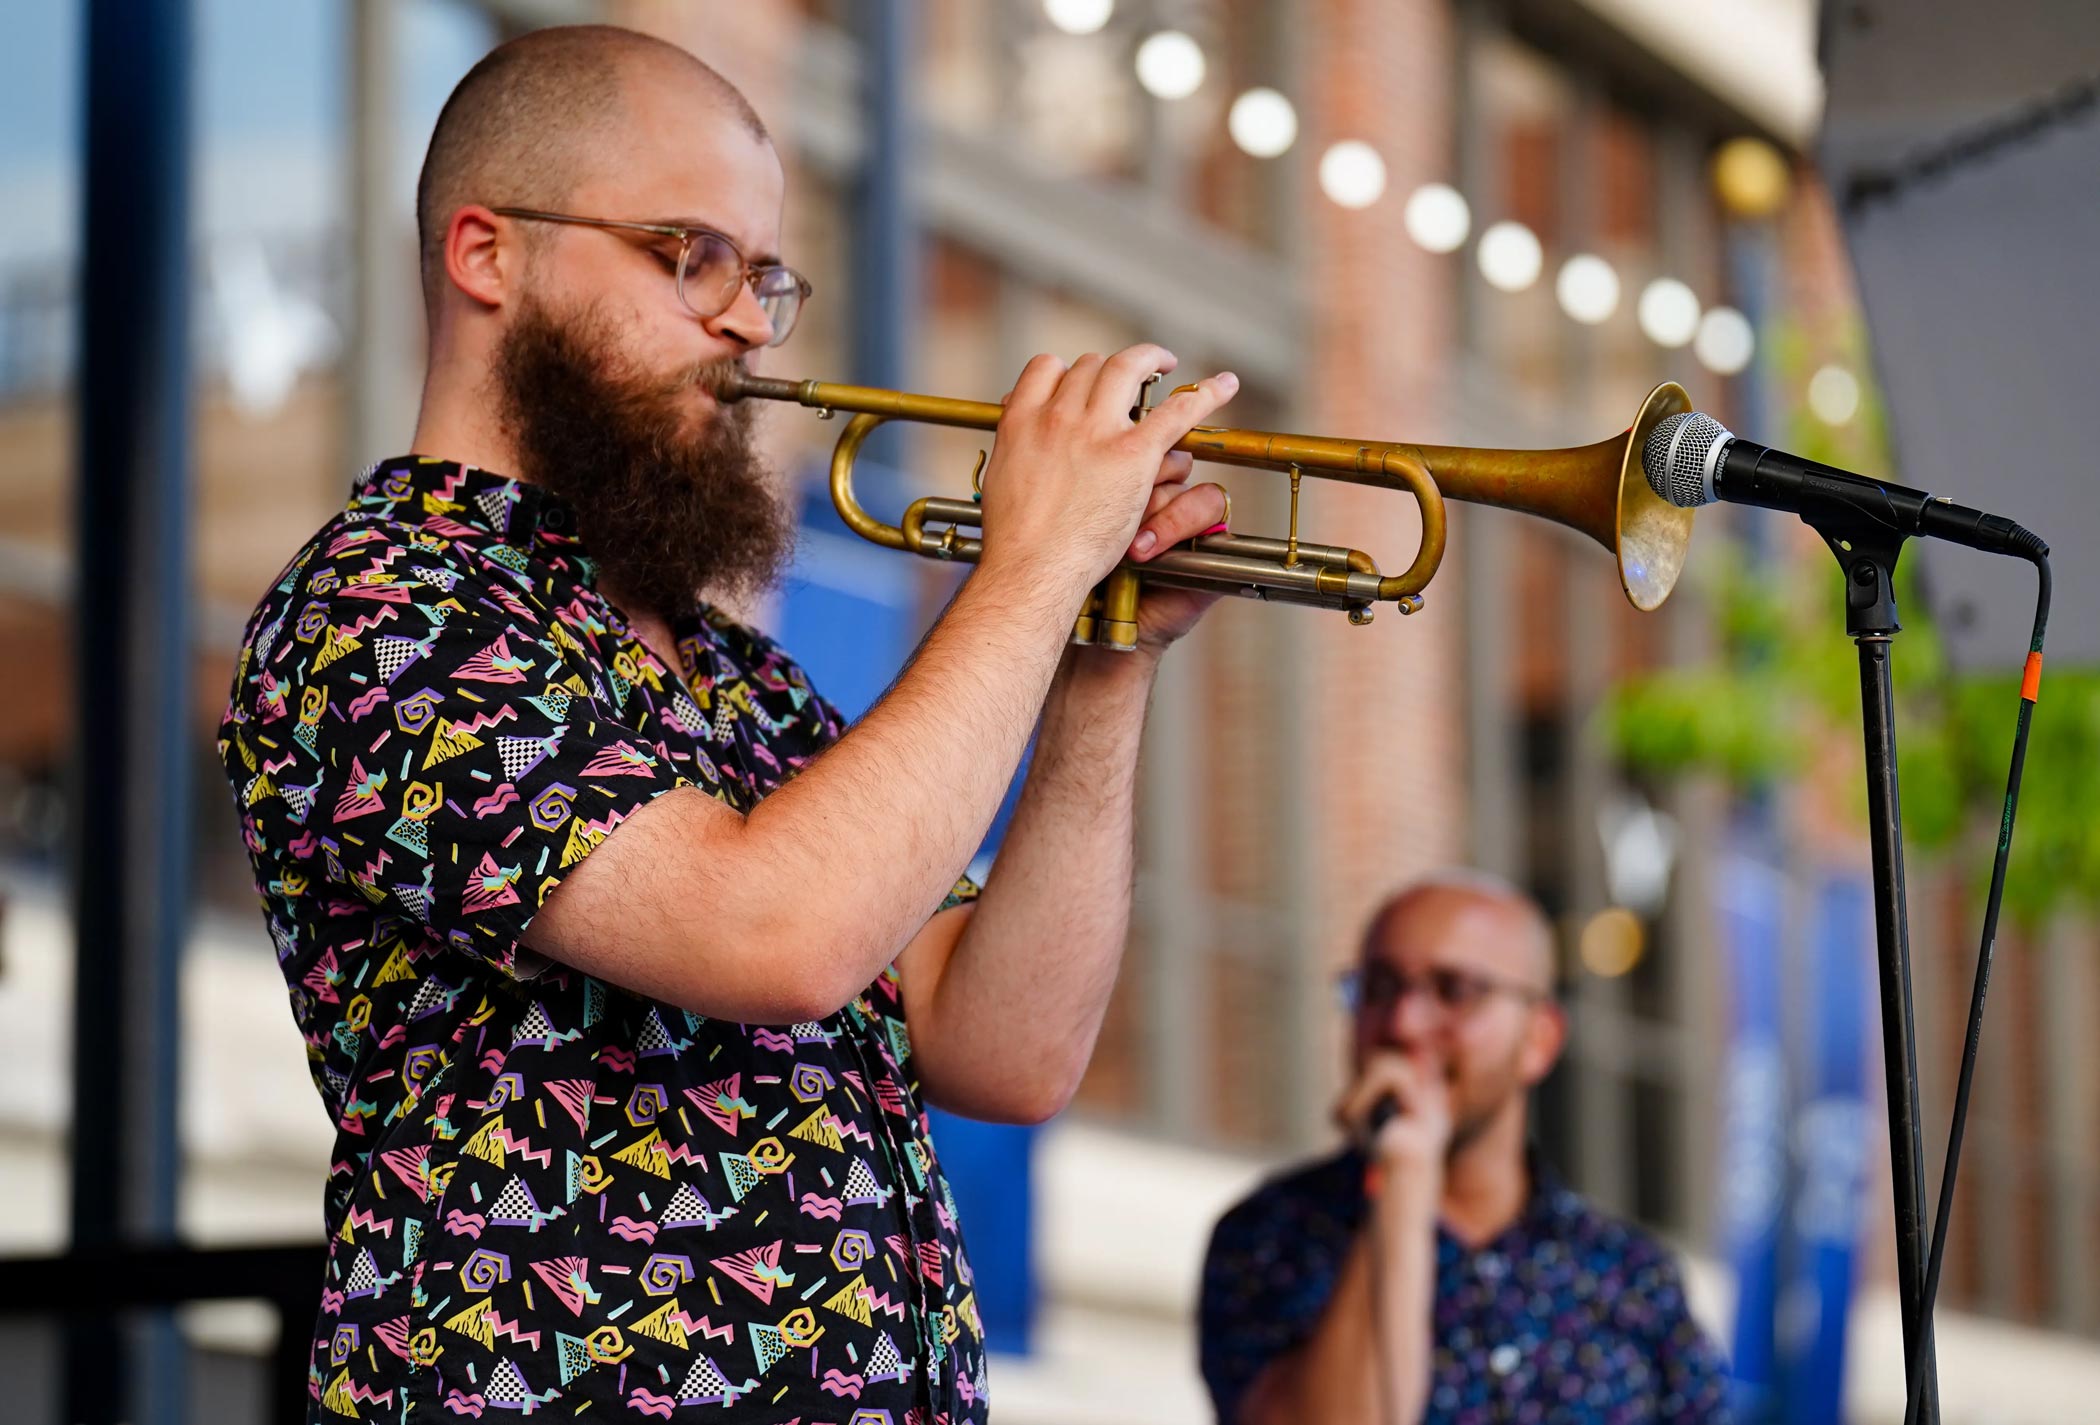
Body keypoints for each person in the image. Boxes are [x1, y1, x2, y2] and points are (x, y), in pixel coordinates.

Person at [217, 24, 1239, 1421]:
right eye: (687, 254)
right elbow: (774, 932)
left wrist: (1103, 659)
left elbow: (1005, 1046)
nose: (749, 321)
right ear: (485, 254)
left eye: (767, 275)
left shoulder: (735, 679)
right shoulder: (385, 605)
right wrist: (1033, 563)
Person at [1199, 873, 1731, 1424]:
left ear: (1539, 1040)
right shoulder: (1272, 1236)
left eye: (1454, 991)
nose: (1404, 1024)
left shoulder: (1631, 1277)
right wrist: (1402, 1181)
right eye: (1379, 988)